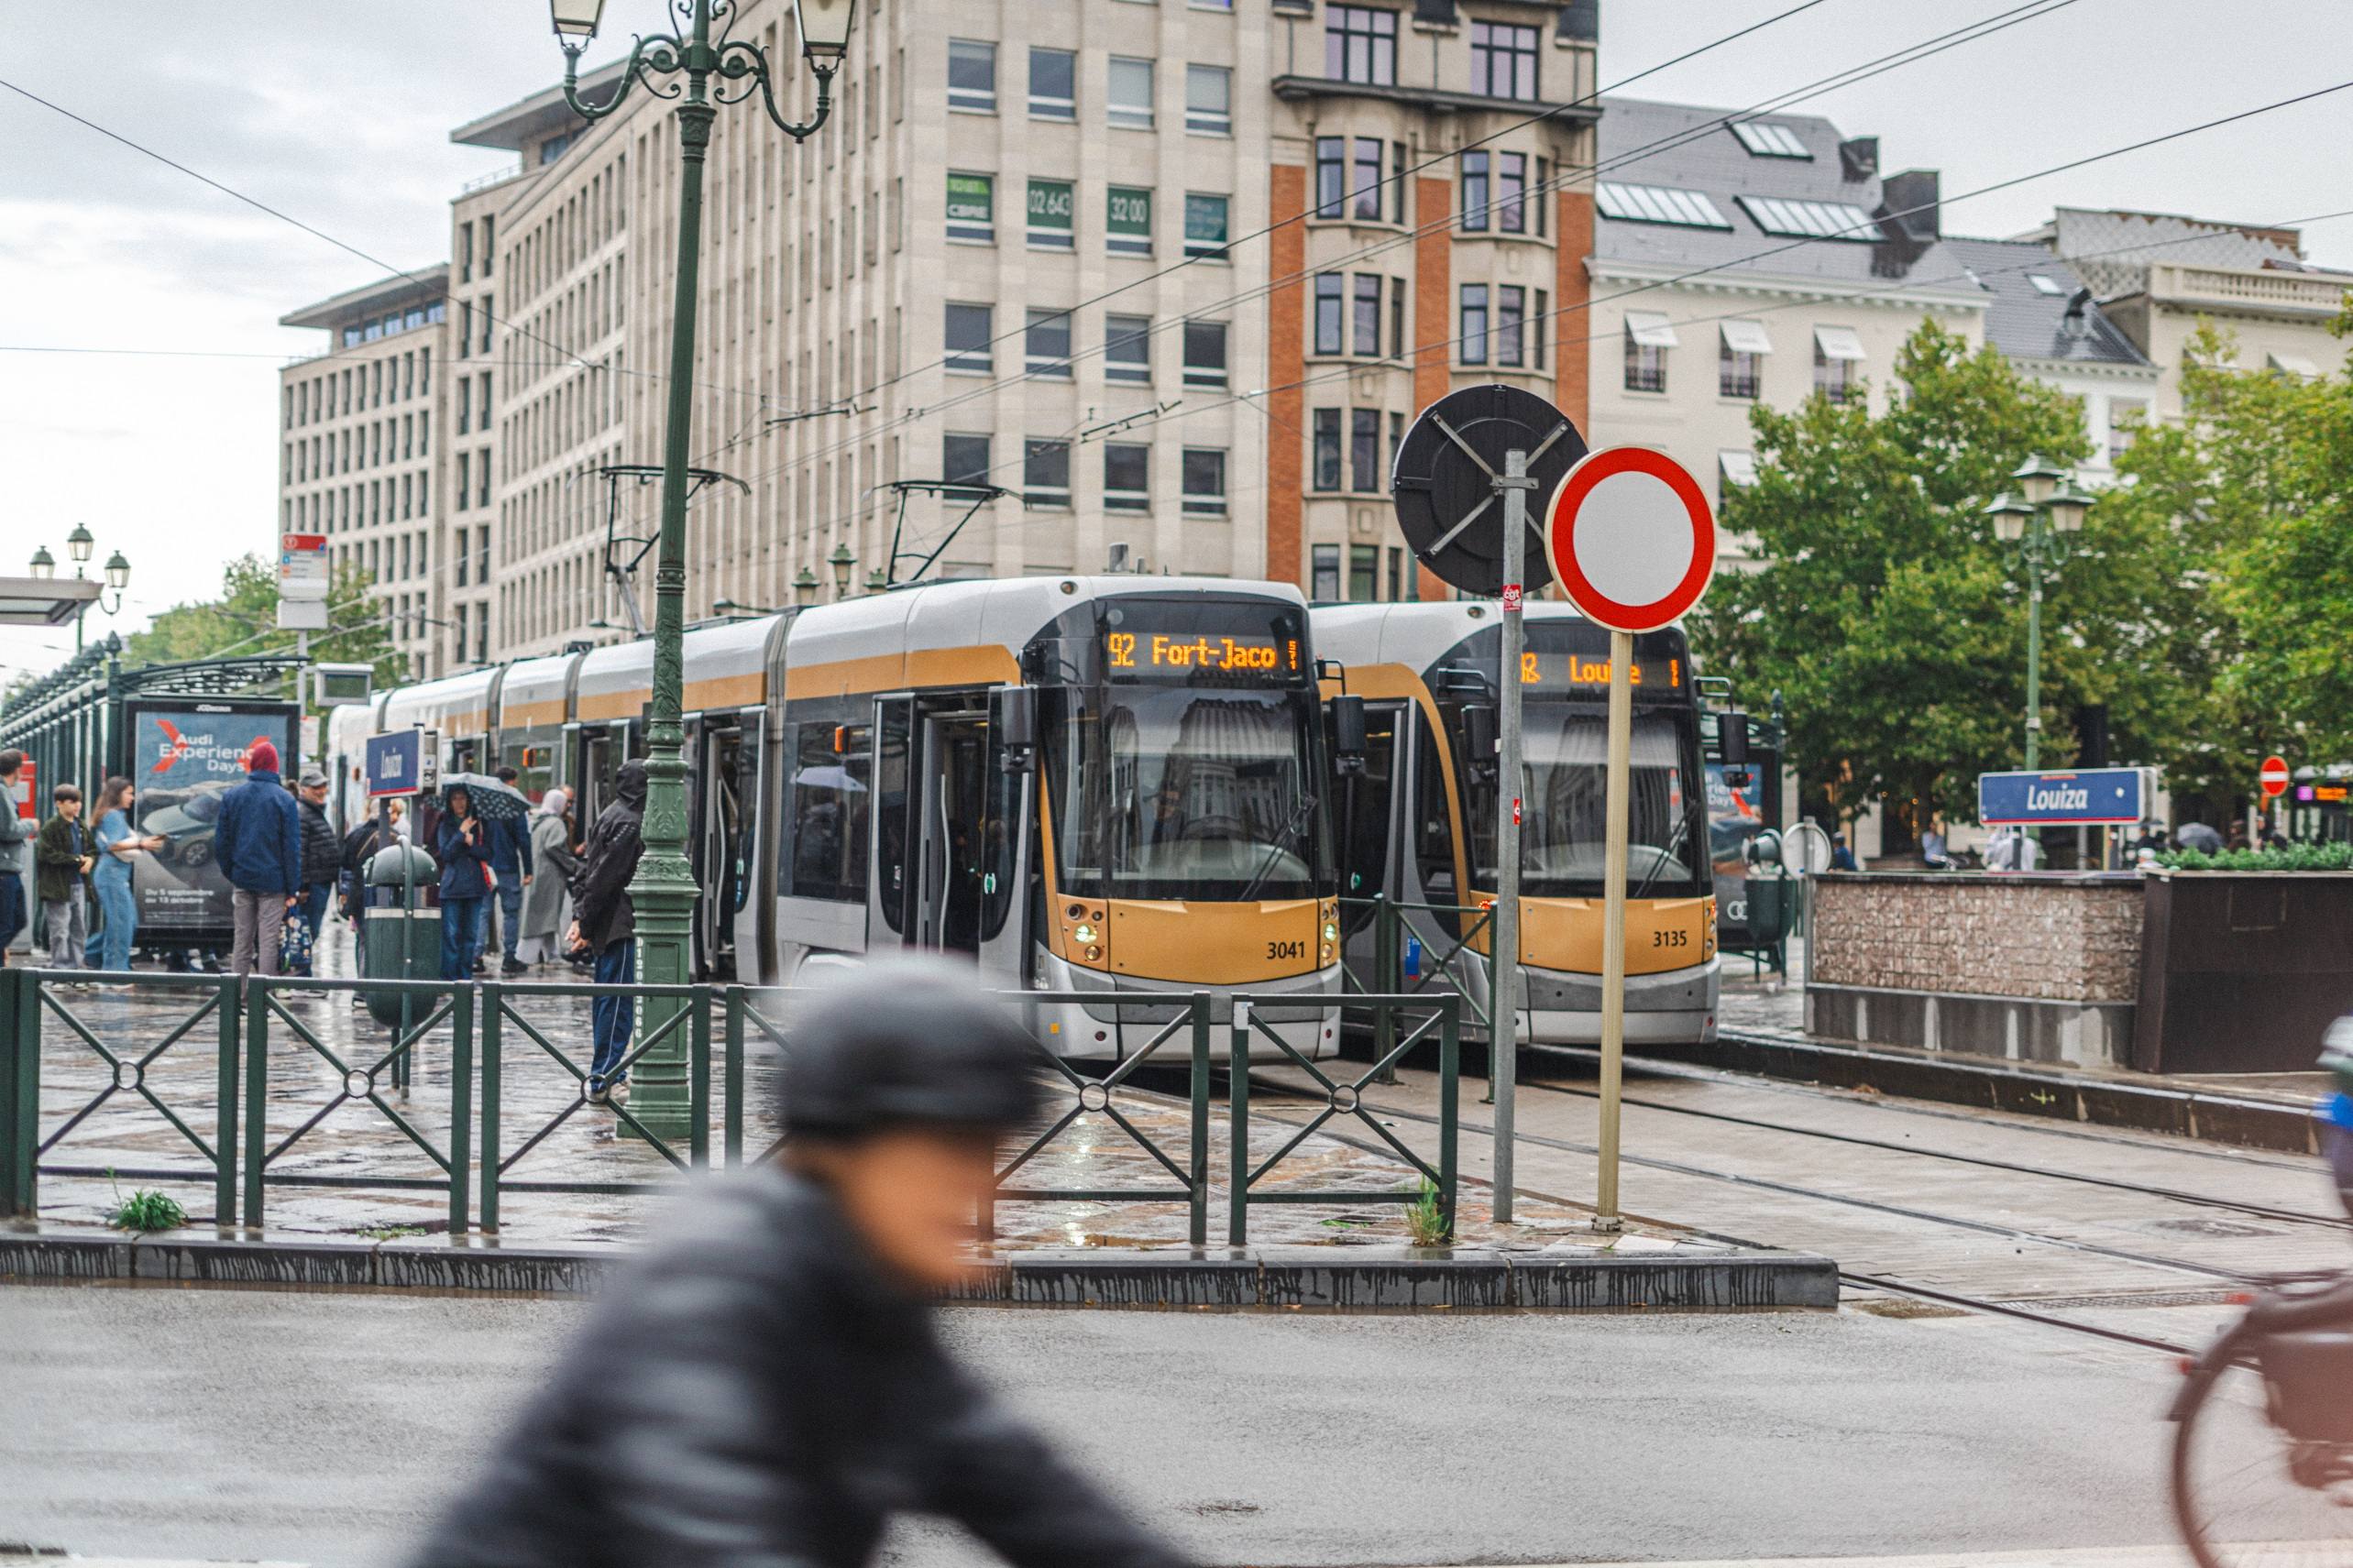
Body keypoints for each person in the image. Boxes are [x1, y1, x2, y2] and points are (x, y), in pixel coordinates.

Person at [403, 959, 1188, 1568]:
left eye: (989, 1153)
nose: (984, 1191)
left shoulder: (869, 1304)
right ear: (840, 1145)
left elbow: (1033, 1496)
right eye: (949, 1151)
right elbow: (710, 1526)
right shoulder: (707, 1292)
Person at [570, 760, 646, 1105]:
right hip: (621, 922)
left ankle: (606, 1070)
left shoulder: (611, 813)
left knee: (607, 1000)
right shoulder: (631, 823)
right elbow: (605, 876)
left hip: (607, 922)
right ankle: (606, 1074)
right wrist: (585, 921)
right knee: (617, 1003)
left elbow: (587, 871)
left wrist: (581, 917)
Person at [215, 740, 303, 977]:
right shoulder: (284, 800)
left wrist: (232, 872)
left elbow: (222, 843)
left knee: (242, 940)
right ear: (275, 767)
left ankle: (239, 996)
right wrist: (292, 888)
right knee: (268, 941)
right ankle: (263, 998)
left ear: (253, 764)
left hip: (243, 879)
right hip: (274, 883)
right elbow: (291, 848)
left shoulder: (232, 796)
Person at [88, 777, 164, 972]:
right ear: (117, 794)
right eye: (129, 793)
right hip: (113, 875)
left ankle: (91, 954)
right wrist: (141, 844)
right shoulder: (113, 816)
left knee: (124, 921)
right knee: (122, 923)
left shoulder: (113, 815)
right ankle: (115, 970)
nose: (132, 797)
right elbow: (114, 845)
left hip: (114, 874)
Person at [514, 787, 578, 967]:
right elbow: (554, 846)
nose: (567, 807)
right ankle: (526, 956)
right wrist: (574, 865)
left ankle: (552, 954)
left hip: (536, 874)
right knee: (543, 916)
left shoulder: (536, 821)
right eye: (565, 803)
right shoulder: (556, 823)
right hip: (549, 877)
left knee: (544, 916)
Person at [34, 784, 95, 972]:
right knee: (60, 930)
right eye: (72, 802)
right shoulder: (51, 827)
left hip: (77, 884)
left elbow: (91, 849)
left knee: (78, 928)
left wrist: (90, 860)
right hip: (58, 887)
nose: (77, 806)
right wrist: (77, 860)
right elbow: (47, 854)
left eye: (79, 801)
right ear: (59, 804)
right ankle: (60, 969)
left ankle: (76, 967)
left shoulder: (81, 825)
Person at [434, 785, 490, 982]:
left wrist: (472, 843)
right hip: (452, 887)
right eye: (455, 799)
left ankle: (465, 979)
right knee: (451, 935)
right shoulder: (445, 825)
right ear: (450, 802)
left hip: (475, 887)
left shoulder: (480, 824)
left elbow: (487, 854)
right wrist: (460, 834)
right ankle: (449, 978)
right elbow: (446, 854)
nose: (460, 803)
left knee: (470, 937)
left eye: (463, 798)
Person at [487, 765, 536, 976]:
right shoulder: (514, 805)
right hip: (508, 867)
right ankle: (509, 958)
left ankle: (476, 956)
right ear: (512, 781)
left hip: (486, 865)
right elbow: (523, 839)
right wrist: (528, 869)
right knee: (510, 914)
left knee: (482, 911)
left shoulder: (485, 803)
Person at [294, 769, 341, 964]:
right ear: (303, 790)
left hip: (319, 882)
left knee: (310, 931)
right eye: (316, 787)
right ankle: (299, 973)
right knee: (306, 931)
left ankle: (301, 973)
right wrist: (303, 886)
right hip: (312, 885)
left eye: (323, 786)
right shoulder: (303, 814)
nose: (321, 791)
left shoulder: (313, 812)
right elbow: (300, 852)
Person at [339, 798, 405, 927]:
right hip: (388, 896)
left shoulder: (356, 834)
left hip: (358, 895)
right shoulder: (396, 836)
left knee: (363, 936)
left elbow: (345, 863)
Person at [0, 751, 30, 963]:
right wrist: (31, 824)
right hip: (4, 869)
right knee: (8, 923)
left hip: (10, 867)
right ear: (18, 769)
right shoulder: (1, 791)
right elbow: (8, 829)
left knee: (17, 920)